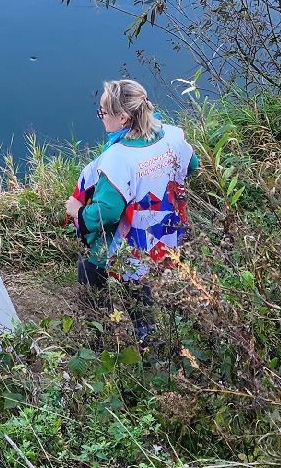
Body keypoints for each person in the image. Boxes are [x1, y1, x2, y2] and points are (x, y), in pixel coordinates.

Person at [68, 79, 195, 341]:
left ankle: (100, 334)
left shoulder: (118, 158)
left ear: (123, 118)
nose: (101, 117)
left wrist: (78, 212)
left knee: (92, 267)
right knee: (147, 281)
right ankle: (155, 337)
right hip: (166, 229)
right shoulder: (172, 135)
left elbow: (108, 212)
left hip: (134, 239)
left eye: (103, 112)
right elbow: (191, 165)